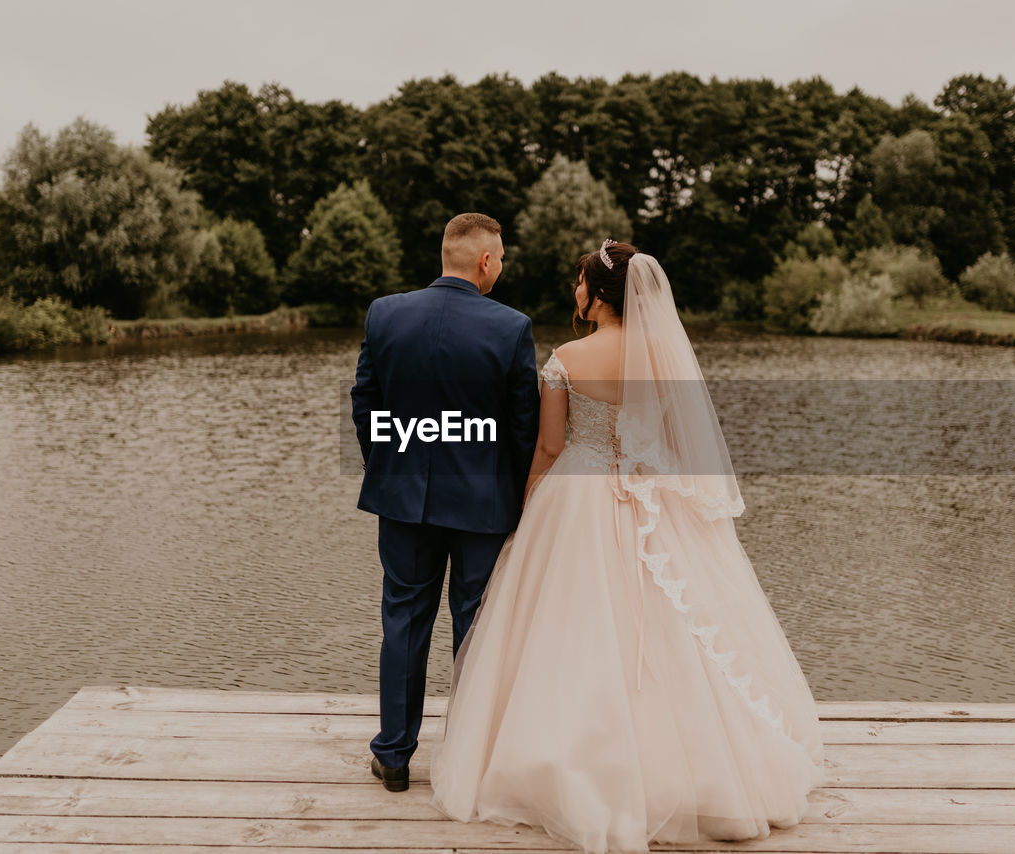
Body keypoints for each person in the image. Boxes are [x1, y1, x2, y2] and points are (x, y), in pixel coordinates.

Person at [429, 241, 826, 853]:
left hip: (577, 497)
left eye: (578, 282)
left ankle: (564, 756)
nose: (573, 291)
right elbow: (672, 438)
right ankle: (699, 762)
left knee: (571, 626)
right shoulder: (661, 357)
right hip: (647, 497)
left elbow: (551, 447)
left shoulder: (566, 357)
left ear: (597, 295)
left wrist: (528, 507)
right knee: (676, 628)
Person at [350, 212, 540, 792]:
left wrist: (393, 463)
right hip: (483, 505)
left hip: (403, 499)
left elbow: (365, 404)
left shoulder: (386, 313)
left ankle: (396, 755)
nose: (501, 267)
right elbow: (523, 428)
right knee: (476, 626)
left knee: (403, 620)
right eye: (501, 257)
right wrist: (515, 499)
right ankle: (467, 754)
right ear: (485, 261)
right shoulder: (510, 328)